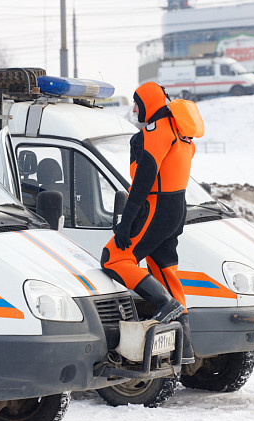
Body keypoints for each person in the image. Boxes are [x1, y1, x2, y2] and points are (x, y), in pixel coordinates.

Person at [100, 81, 196, 364]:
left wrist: (126, 221)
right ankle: (186, 347)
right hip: (177, 208)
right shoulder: (183, 133)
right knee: (167, 274)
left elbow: (143, 182)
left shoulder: (154, 133)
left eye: (137, 103)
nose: (134, 109)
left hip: (156, 206)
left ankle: (164, 305)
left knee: (113, 258)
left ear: (149, 103)